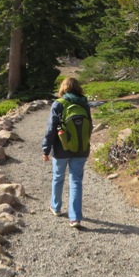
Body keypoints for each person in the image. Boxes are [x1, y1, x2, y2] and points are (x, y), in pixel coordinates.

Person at [42, 76, 92, 228]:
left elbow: (51, 129)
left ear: (63, 88)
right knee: (76, 181)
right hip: (81, 148)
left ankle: (56, 207)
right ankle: (75, 218)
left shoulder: (59, 103)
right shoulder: (85, 104)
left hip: (61, 148)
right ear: (78, 87)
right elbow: (89, 126)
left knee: (58, 177)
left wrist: (46, 149)